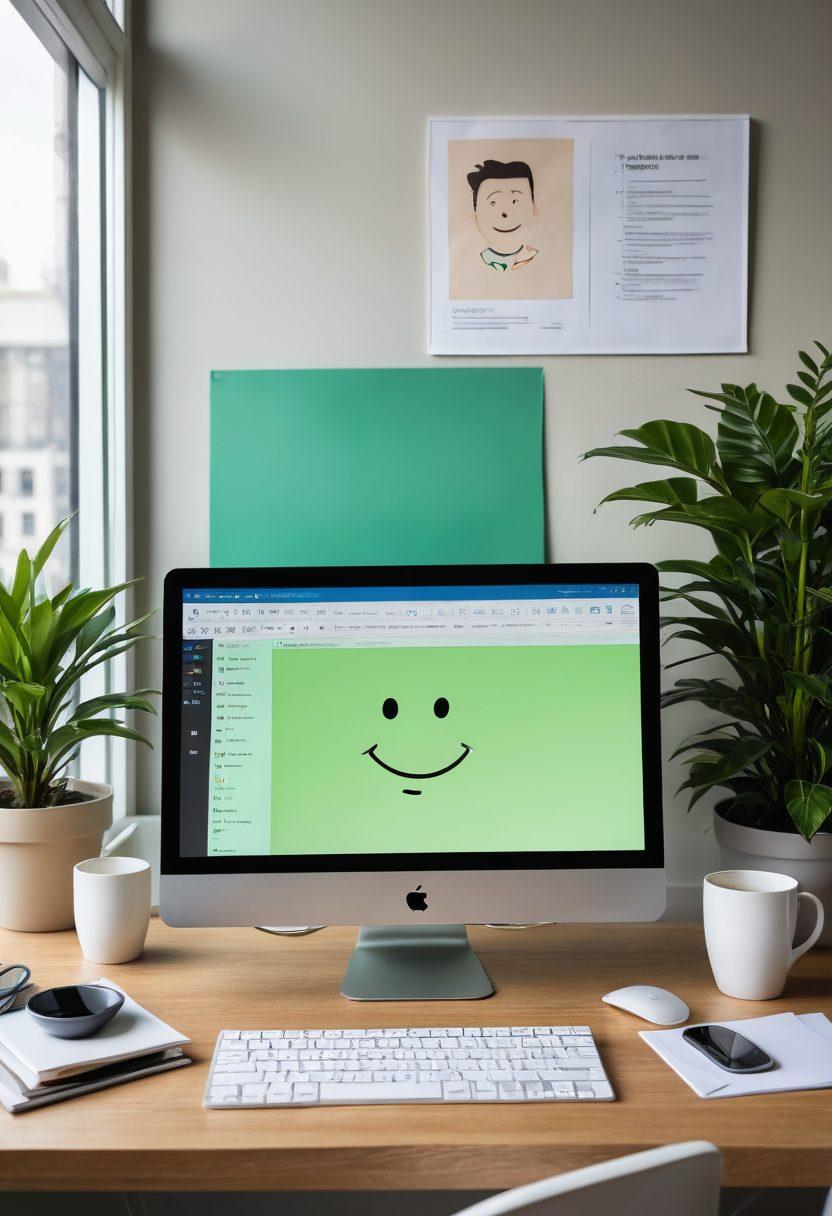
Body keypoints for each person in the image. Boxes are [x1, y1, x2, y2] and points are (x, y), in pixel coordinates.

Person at [466, 159, 539, 271]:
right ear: (476, 215)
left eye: (515, 201)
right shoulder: (471, 264)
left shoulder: (538, 259)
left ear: (534, 210)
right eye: (493, 202)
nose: (505, 213)